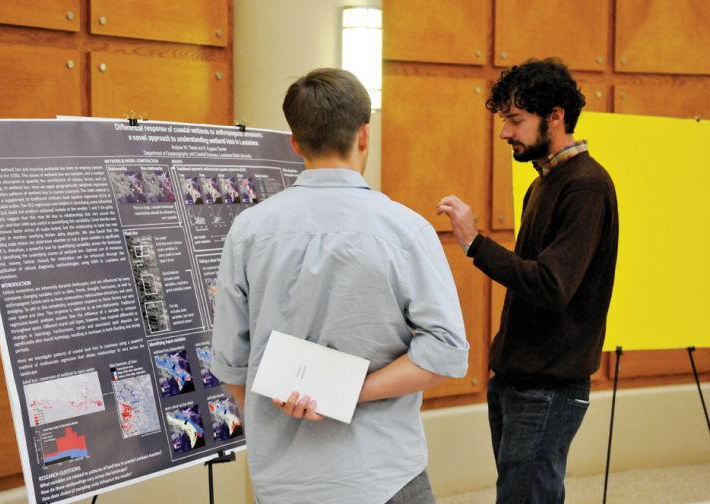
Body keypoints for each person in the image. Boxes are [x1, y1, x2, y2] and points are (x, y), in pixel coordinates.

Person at [211, 68, 469, 504]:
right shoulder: (407, 230)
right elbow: (446, 352)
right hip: (383, 475)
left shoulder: (247, 230)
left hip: (282, 482)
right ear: (365, 135)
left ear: (295, 142)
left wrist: (297, 408)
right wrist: (348, 393)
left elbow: (231, 363)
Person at [437, 58, 619, 503]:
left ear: (555, 116)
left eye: (515, 120)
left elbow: (552, 286)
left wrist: (474, 243)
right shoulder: (542, 183)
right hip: (517, 379)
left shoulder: (586, 187)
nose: (504, 133)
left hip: (549, 387)